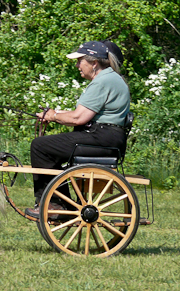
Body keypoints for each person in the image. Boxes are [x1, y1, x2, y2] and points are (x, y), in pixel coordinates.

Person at [25, 40, 130, 219]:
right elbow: (82, 114)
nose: (77, 65)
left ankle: (56, 204)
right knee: (48, 147)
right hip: (107, 136)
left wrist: (53, 116)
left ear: (94, 63)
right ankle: (61, 202)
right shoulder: (110, 79)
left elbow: (78, 118)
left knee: (40, 146)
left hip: (102, 137)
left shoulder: (102, 82)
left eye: (80, 61)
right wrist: (53, 114)